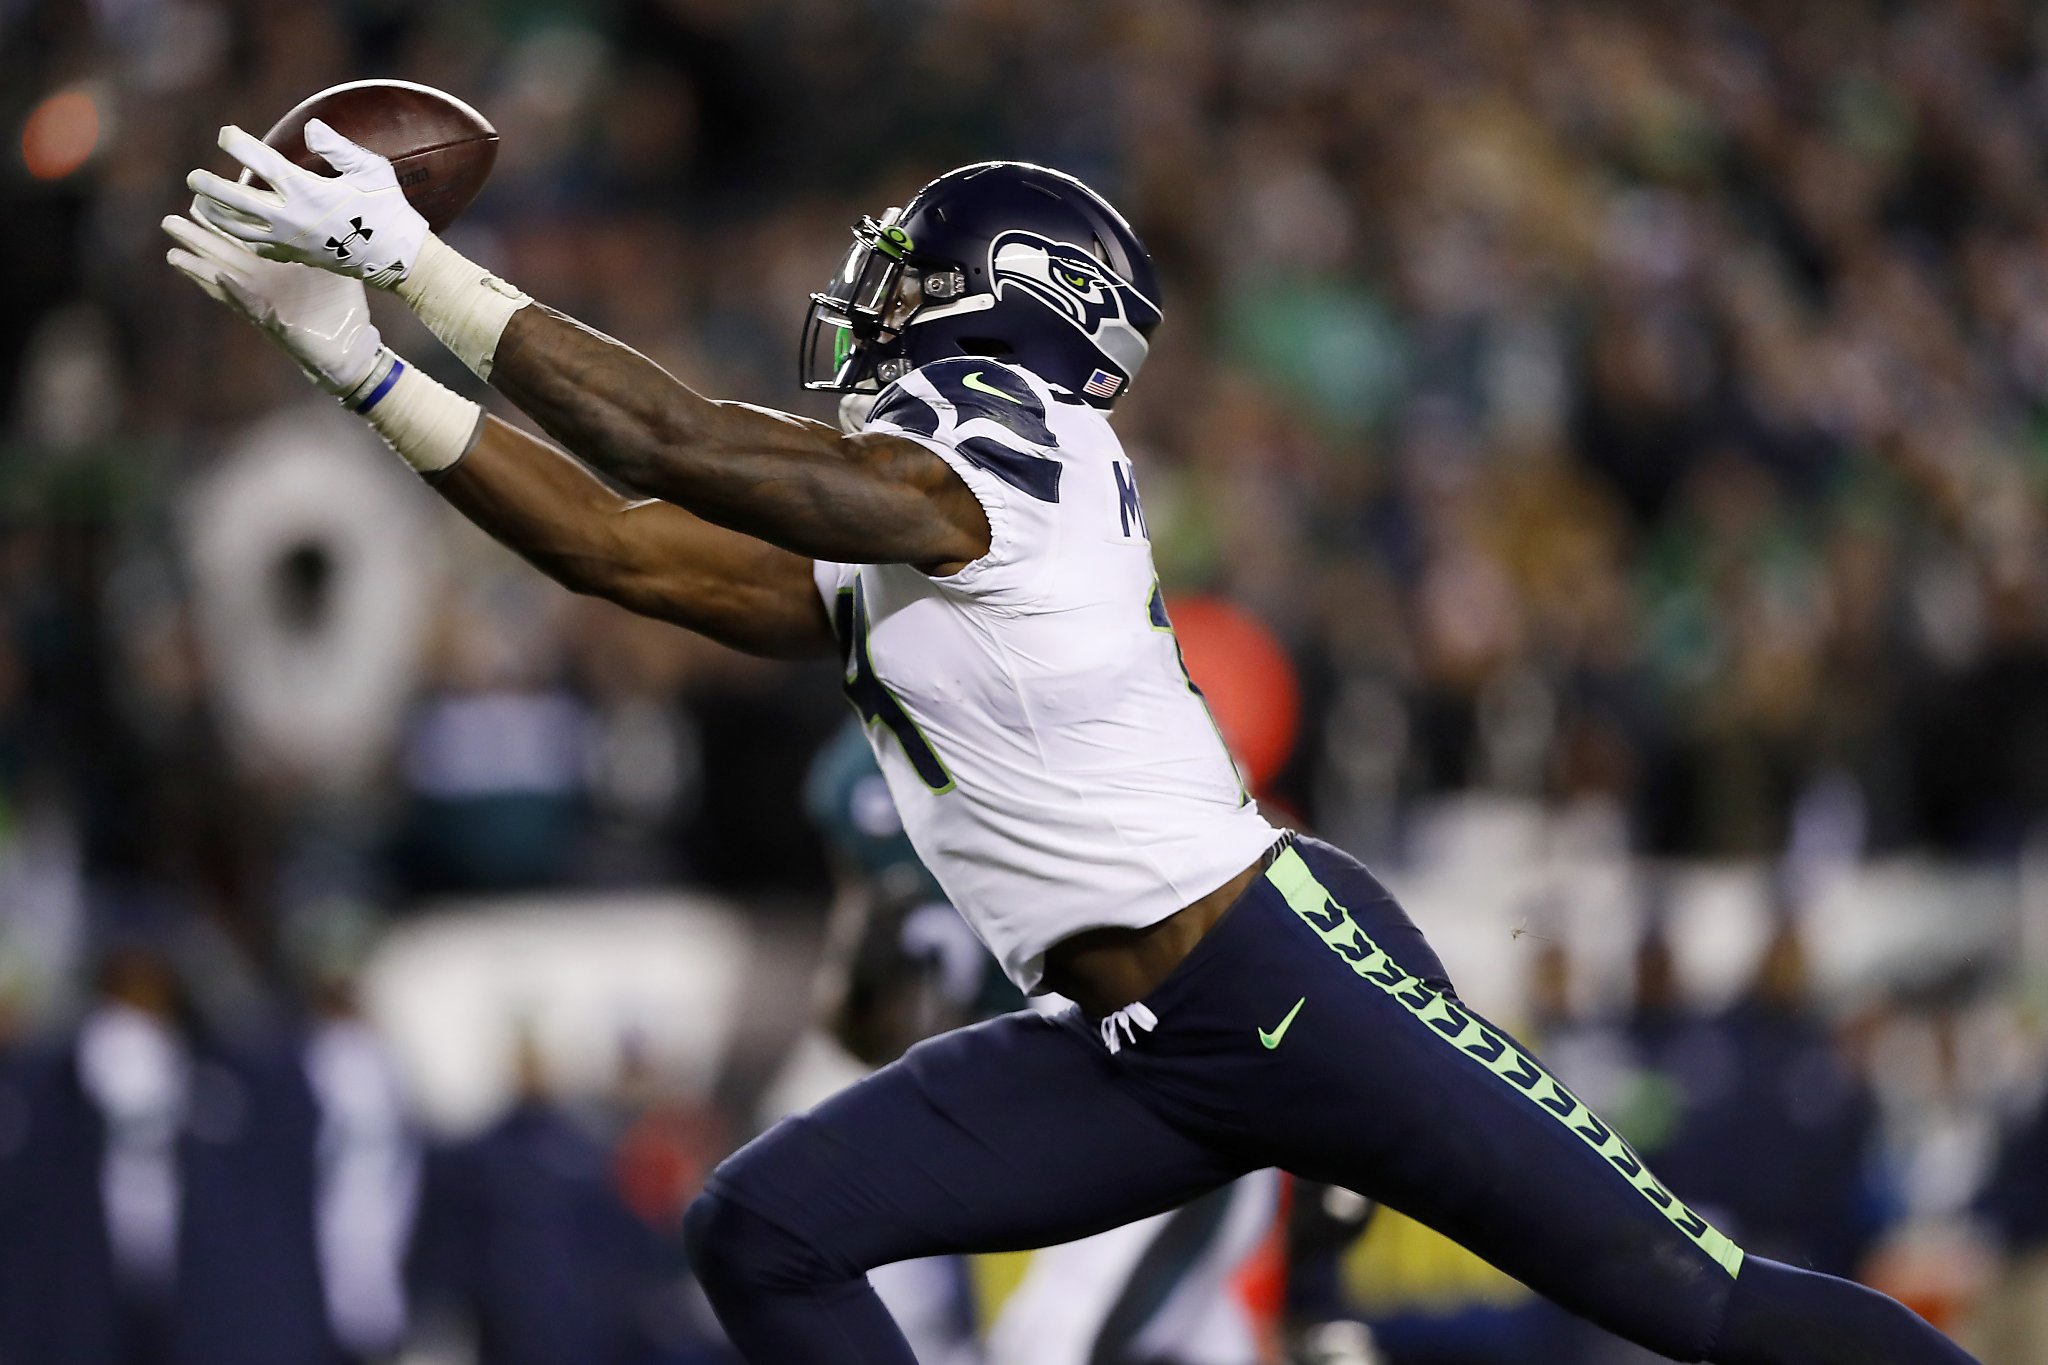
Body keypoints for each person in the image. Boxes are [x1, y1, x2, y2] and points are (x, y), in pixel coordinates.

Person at [168, 122, 1976, 1365]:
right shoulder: (918, 503)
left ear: (998, 295)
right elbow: (628, 546)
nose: (866, 302)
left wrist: (431, 270)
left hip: (1273, 970)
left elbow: (677, 453)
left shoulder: (995, 439)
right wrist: (358, 357)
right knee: (762, 1230)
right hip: (1125, 1035)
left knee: (1702, 1300)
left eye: (902, 274)